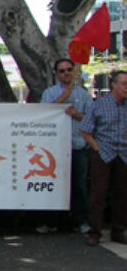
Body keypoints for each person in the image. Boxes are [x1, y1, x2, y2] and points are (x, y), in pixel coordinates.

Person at [37, 59, 92, 235]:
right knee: (53, 185)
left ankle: (81, 221)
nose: (66, 73)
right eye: (62, 71)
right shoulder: (49, 93)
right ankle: (51, 221)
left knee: (79, 186)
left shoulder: (83, 95)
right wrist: (61, 100)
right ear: (56, 74)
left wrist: (76, 114)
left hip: (77, 147)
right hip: (54, 149)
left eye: (69, 70)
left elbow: (91, 121)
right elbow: (41, 117)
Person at [79, 69, 127, 247]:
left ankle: (118, 230)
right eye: (124, 84)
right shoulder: (99, 104)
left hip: (123, 153)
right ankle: (95, 232)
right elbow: (84, 130)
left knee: (122, 194)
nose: (126, 88)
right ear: (113, 85)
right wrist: (97, 148)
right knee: (98, 194)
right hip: (103, 152)